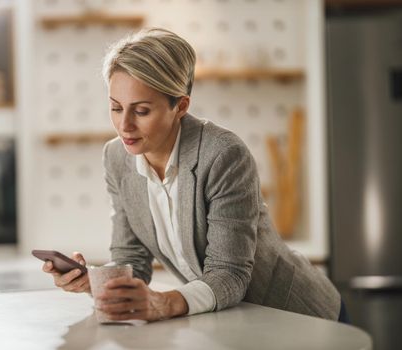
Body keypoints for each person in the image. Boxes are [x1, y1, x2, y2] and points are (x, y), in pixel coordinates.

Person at [42, 27, 344, 323]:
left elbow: (230, 273)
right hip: (230, 322)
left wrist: (166, 302)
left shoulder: (223, 155)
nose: (125, 125)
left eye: (142, 111)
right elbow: (131, 259)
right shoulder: (116, 157)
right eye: (116, 108)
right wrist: (94, 280)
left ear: (180, 106)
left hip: (294, 317)